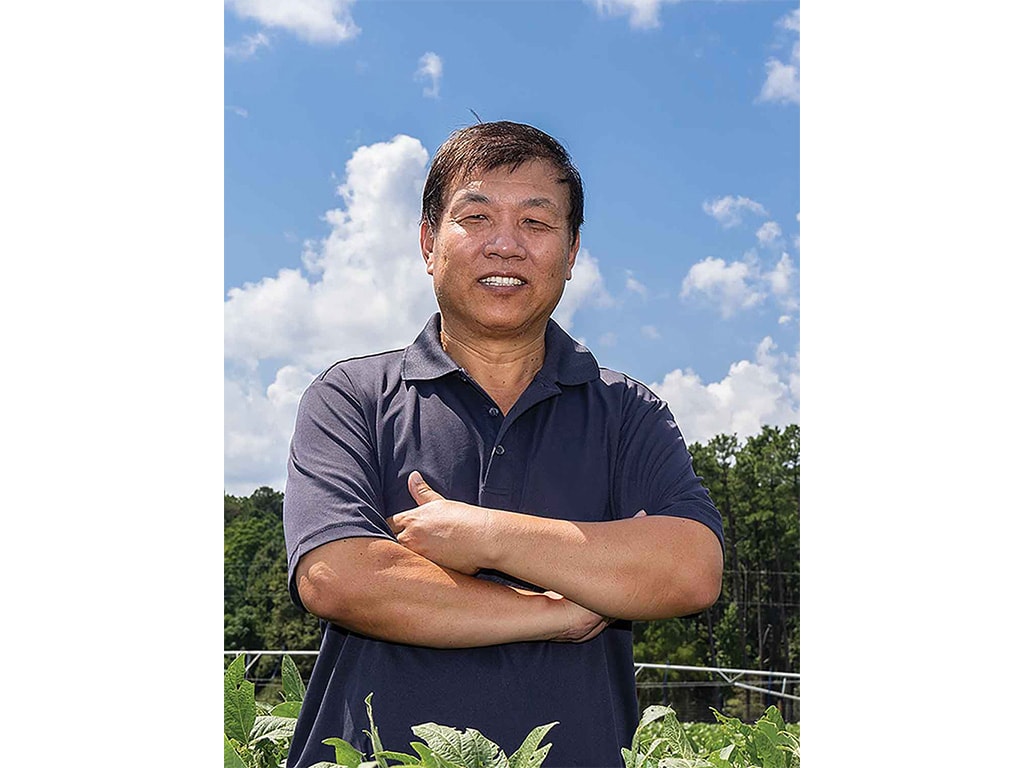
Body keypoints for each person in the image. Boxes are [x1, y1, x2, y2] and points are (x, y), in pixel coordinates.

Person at [282, 121, 725, 768]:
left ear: (571, 254)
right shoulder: (352, 396)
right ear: (430, 241)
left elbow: (689, 567)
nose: (506, 245)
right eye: (477, 216)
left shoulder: (628, 412)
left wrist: (485, 535)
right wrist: (556, 611)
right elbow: (340, 577)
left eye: (537, 224)